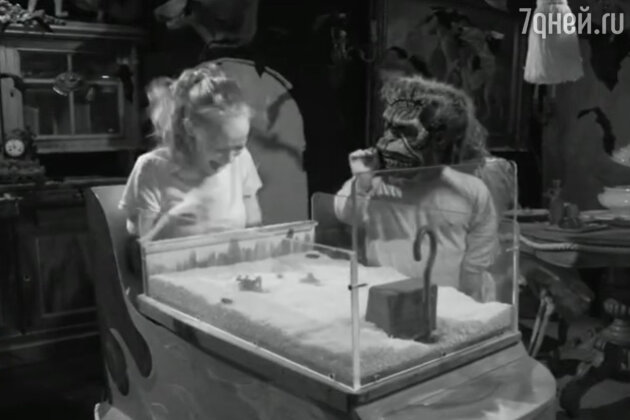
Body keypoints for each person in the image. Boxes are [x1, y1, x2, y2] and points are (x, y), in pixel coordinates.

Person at [334, 74, 507, 301]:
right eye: (388, 129)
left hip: (446, 305)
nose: (387, 141)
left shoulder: (470, 190)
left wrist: (469, 308)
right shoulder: (375, 183)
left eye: (404, 131)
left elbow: (475, 265)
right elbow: (345, 214)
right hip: (386, 305)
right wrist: (362, 182)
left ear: (440, 139)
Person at [120, 62, 263, 241]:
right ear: (191, 129)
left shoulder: (242, 159)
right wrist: (168, 222)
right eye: (219, 149)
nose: (230, 159)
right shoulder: (152, 168)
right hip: (172, 259)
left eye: (238, 147)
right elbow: (141, 250)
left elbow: (254, 228)